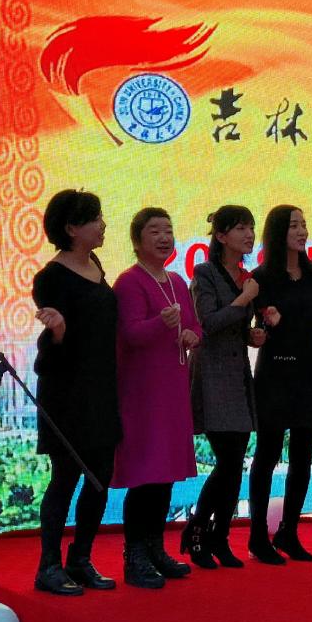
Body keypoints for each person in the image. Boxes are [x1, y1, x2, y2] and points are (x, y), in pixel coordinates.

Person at [247, 205, 312, 563]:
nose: (302, 231)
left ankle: (288, 531)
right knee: (267, 454)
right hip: (276, 372)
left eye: (304, 224)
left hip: (308, 371)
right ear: (278, 231)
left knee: (302, 456)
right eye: (294, 225)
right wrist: (265, 323)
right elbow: (255, 328)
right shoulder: (262, 276)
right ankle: (257, 536)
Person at [32, 189, 120, 596]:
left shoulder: (96, 265)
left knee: (100, 477)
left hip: (101, 388)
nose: (103, 225)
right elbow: (50, 353)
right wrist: (59, 331)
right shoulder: (50, 277)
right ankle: (48, 565)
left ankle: (80, 558)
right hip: (66, 393)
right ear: (71, 228)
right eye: (95, 219)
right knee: (65, 477)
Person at [112, 208, 201, 588]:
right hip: (143, 394)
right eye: (154, 231)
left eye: (168, 230)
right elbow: (130, 335)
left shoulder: (177, 281)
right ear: (137, 241)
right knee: (145, 476)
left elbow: (193, 325)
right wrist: (160, 324)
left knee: (164, 475)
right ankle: (134, 556)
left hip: (173, 391)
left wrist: (191, 334)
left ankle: (155, 548)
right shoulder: (129, 282)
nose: (164, 238)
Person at [184, 206, 274, 570]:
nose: (249, 235)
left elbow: (239, 328)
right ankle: (197, 531)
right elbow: (208, 322)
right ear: (221, 236)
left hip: (237, 375)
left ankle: (219, 538)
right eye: (240, 228)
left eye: (251, 228)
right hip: (212, 373)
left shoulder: (246, 276)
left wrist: (256, 334)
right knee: (228, 461)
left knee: (235, 463)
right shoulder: (205, 273)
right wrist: (244, 298)